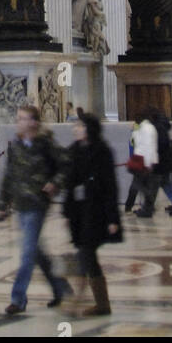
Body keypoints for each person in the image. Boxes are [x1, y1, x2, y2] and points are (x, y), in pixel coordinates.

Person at [0, 104, 70, 315]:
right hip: (21, 204)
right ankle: (60, 288)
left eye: (23, 118)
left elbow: (66, 164)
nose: (18, 122)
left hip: (38, 204)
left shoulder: (46, 144)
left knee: (27, 254)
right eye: (18, 118)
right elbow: (9, 176)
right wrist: (2, 205)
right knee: (36, 252)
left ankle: (18, 299)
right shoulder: (16, 145)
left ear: (34, 122)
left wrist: (55, 183)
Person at [63, 113, 121, 316]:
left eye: (80, 126)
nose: (75, 129)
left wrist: (113, 218)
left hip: (97, 212)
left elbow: (110, 187)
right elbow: (69, 184)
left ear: (89, 128)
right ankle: (101, 304)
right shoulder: (74, 151)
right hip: (79, 212)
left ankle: (79, 299)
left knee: (86, 253)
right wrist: (66, 213)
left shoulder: (102, 151)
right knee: (86, 253)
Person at [131, 110, 159, 218]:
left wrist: (147, 163)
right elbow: (135, 142)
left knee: (139, 185)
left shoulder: (146, 128)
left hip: (144, 161)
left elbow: (147, 146)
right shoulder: (145, 127)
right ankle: (147, 209)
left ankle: (148, 207)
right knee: (143, 185)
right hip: (144, 160)